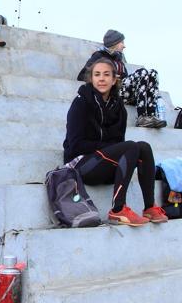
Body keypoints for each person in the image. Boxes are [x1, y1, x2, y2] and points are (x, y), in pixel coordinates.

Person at [62, 59, 168, 227]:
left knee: (143, 147)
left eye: (106, 74)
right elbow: (75, 146)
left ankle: (149, 207)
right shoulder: (81, 103)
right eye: (97, 75)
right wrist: (107, 148)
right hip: (82, 164)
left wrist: (111, 150)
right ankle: (118, 210)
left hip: (105, 163)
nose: (101, 79)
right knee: (132, 146)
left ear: (114, 80)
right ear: (91, 79)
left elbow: (119, 144)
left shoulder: (119, 108)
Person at [77, 30, 165, 128]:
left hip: (124, 93)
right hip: (112, 93)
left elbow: (125, 79)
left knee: (153, 72)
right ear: (114, 43)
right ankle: (142, 117)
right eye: (122, 43)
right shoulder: (99, 56)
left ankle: (151, 116)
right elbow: (82, 75)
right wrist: (108, 77)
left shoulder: (119, 60)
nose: (124, 46)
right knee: (143, 72)